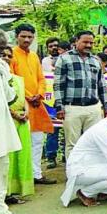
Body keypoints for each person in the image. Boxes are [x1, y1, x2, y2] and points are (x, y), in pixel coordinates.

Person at [0, 27, 30, 214]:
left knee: (0, 171)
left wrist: (3, 70)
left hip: (0, 129)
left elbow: (10, 96)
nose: (3, 51)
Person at [11, 23, 55, 185]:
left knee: (37, 141)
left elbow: (41, 79)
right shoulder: (11, 55)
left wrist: (40, 94)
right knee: (21, 142)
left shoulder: (34, 56)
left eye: (30, 37)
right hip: (20, 105)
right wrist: (29, 97)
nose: (27, 39)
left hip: (37, 104)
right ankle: (22, 177)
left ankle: (36, 174)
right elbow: (12, 80)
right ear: (17, 37)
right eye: (23, 36)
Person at [54, 30, 107, 160]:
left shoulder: (96, 60)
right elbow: (58, 84)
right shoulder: (64, 58)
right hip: (72, 108)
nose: (89, 45)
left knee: (93, 142)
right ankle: (73, 174)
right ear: (76, 41)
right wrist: (59, 107)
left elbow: (102, 85)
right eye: (85, 42)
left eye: (91, 43)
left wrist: (106, 106)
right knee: (72, 144)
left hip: (93, 108)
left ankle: (90, 172)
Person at [1, 47, 34, 203]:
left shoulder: (16, 78)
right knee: (6, 157)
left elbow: (24, 97)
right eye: (3, 55)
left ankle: (14, 191)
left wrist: (26, 112)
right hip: (5, 121)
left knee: (21, 155)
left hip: (22, 120)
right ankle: (3, 194)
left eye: (9, 56)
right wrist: (14, 114)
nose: (7, 58)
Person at [42, 37, 62, 169]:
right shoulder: (44, 61)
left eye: (56, 45)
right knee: (52, 129)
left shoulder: (66, 59)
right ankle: (51, 157)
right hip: (50, 101)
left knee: (69, 129)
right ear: (47, 48)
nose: (54, 48)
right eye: (51, 46)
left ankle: (67, 156)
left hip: (65, 99)